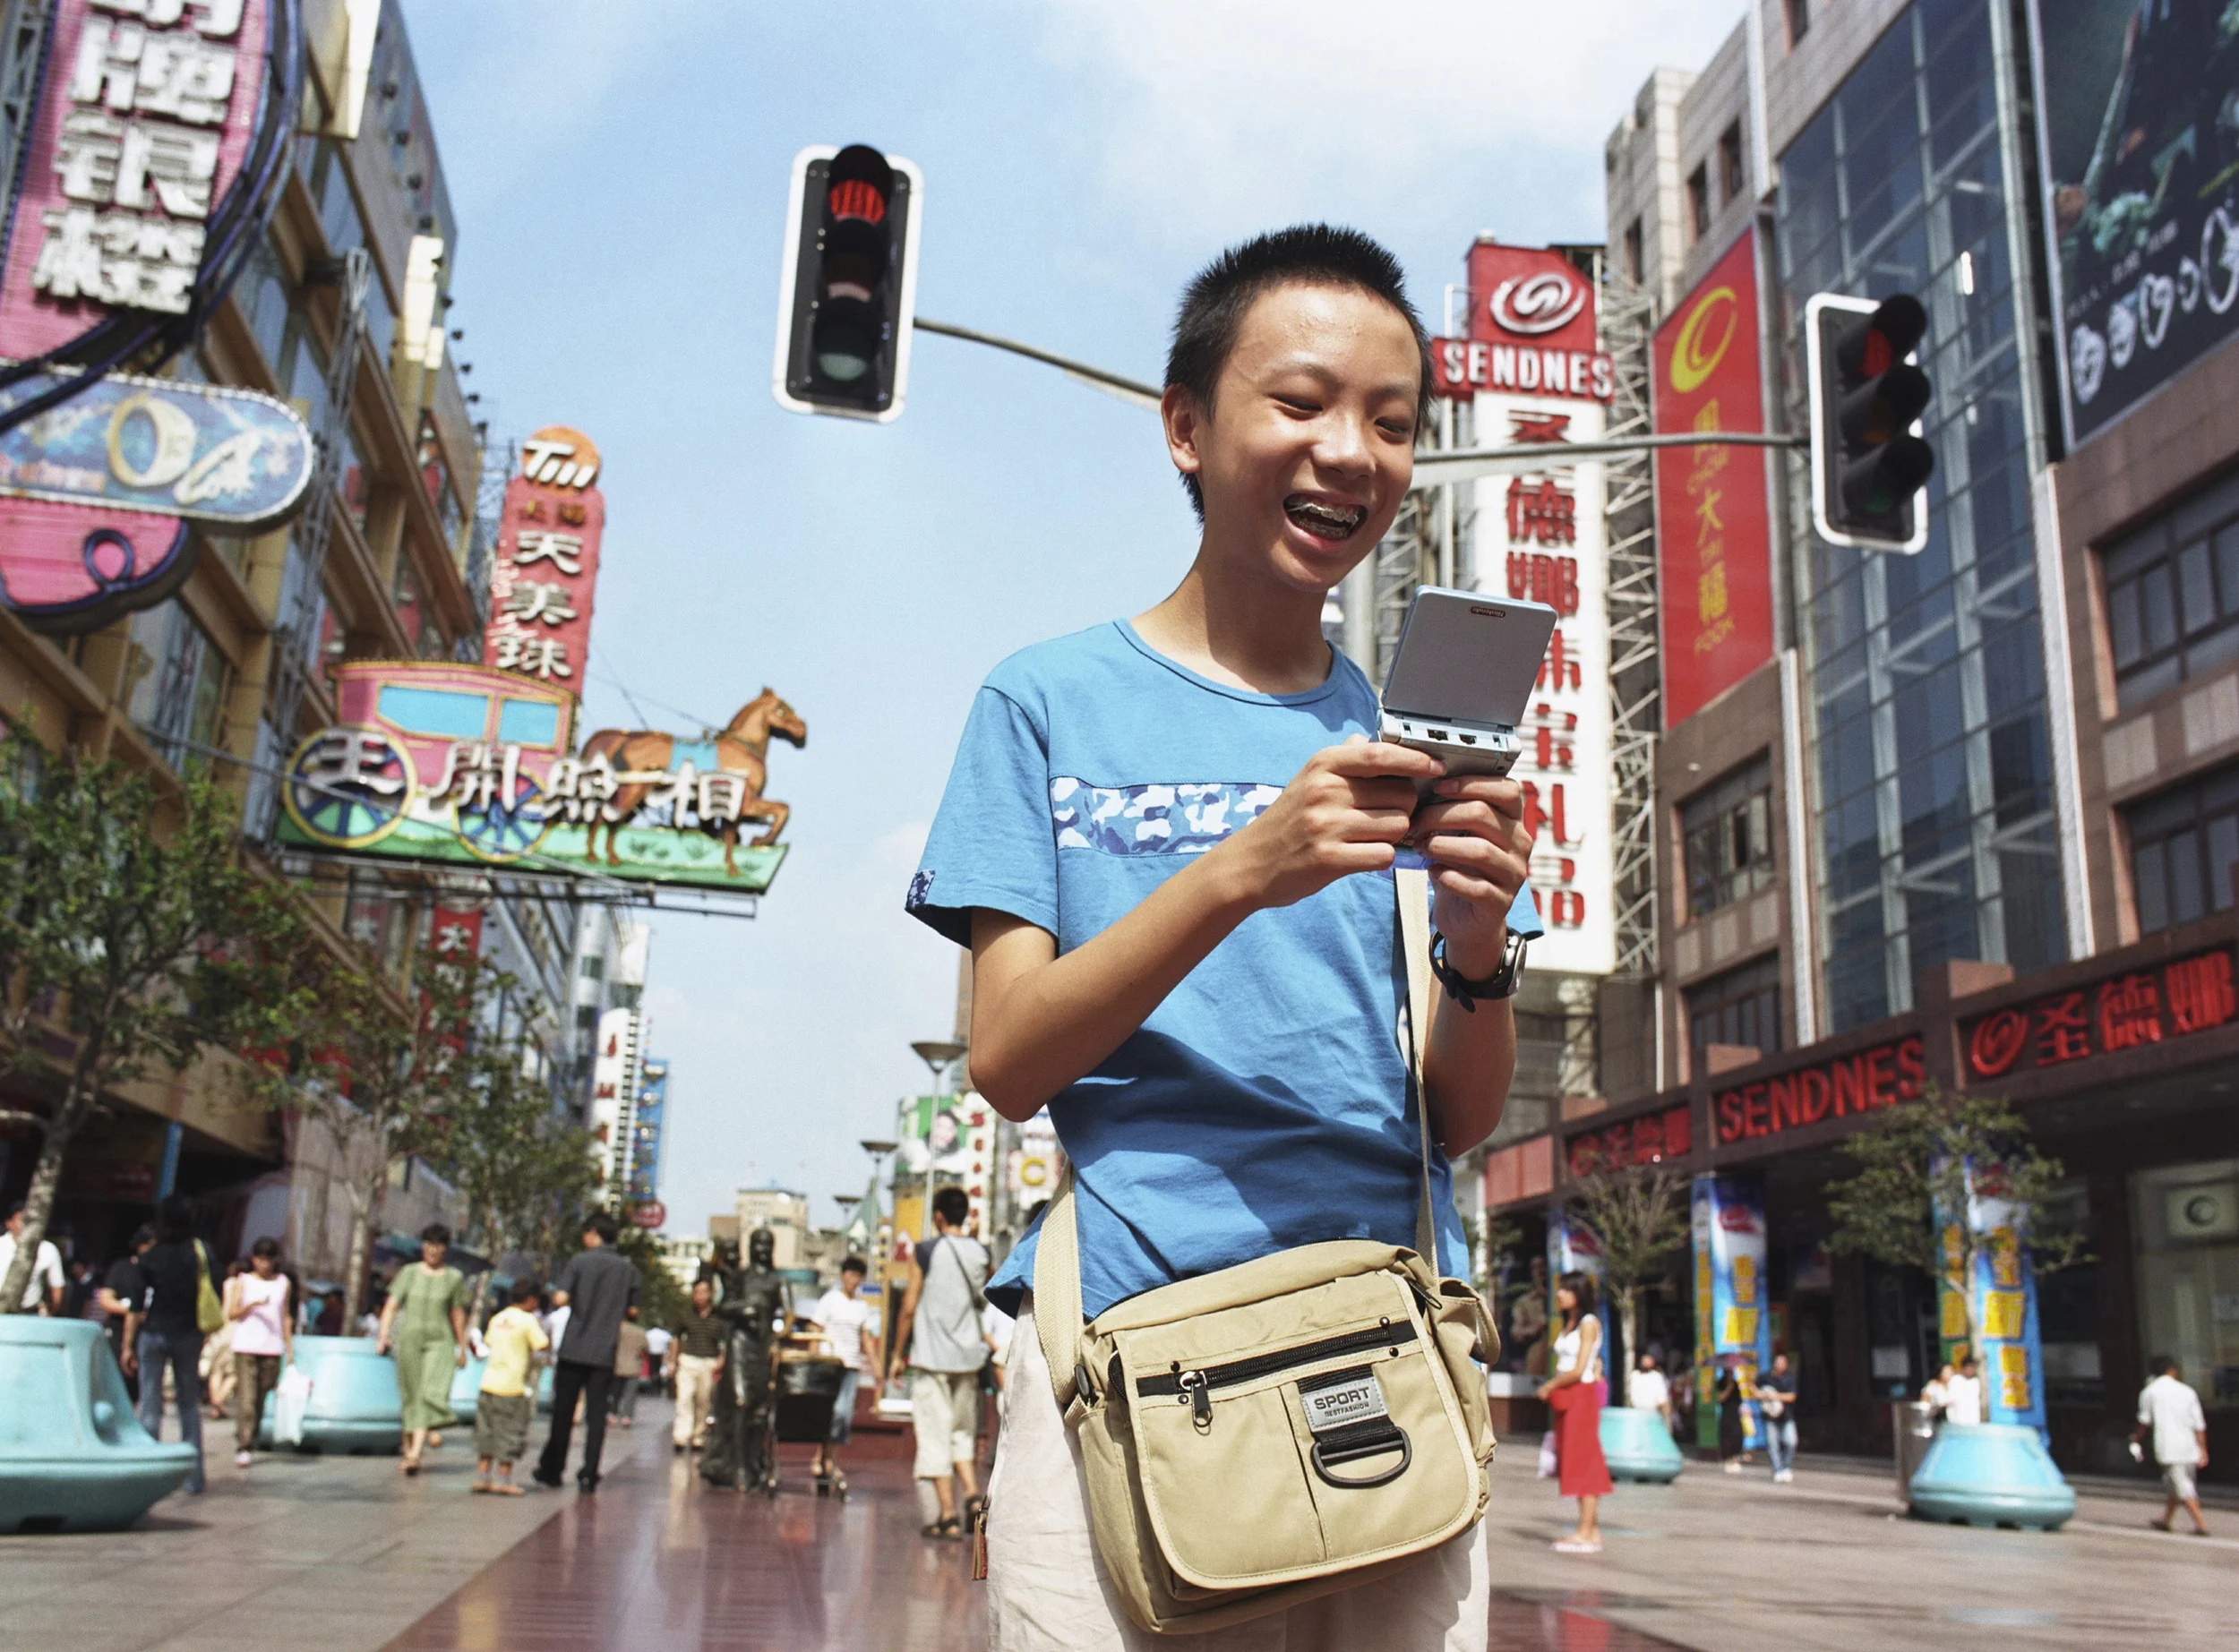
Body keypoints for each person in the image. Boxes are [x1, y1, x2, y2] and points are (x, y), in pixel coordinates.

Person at [909, 223, 1533, 1645]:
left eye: (1392, 423)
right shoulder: (1045, 700)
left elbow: (1456, 1116)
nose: (1352, 455)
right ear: (1186, 427)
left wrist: (1480, 941)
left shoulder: (1411, 741)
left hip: (1383, 1341)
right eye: (1302, 403)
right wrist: (1240, 867)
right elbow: (1005, 1057)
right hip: (1127, 1346)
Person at [886, 1186, 990, 1540]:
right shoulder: (981, 1252)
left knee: (934, 1435)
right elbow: (985, 1293)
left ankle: (947, 1513)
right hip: (968, 1358)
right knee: (963, 1432)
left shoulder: (927, 1251)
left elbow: (909, 1305)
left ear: (939, 1216)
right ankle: (973, 1496)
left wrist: (898, 1354)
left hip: (932, 1358)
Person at [534, 1211, 639, 1493]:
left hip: (574, 1347)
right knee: (596, 1415)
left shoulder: (580, 1261)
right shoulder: (627, 1269)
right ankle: (590, 1472)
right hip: (604, 1351)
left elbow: (562, 1297)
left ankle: (553, 1469)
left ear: (593, 1233)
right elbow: (633, 1309)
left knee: (563, 1413)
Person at [132, 1195, 211, 1494]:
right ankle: (195, 1477)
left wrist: (128, 1344)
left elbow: (137, 1306)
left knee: (150, 1403)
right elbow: (212, 1290)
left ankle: (146, 1476)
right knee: (188, 1403)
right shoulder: (201, 1253)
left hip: (153, 1332)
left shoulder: (151, 1256)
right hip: (189, 1334)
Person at [376, 1223, 468, 1476]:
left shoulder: (454, 1278)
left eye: (437, 1245)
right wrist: (383, 1335)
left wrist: (462, 1346)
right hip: (409, 1339)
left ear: (445, 1249)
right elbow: (392, 1305)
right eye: (428, 1244)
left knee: (428, 1392)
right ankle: (408, 1449)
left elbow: (457, 1313)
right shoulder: (408, 1273)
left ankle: (415, 1453)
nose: (432, 1250)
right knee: (410, 1393)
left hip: (440, 1341)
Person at [698, 1229, 786, 1491]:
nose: (762, 1249)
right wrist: (743, 1310)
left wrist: (777, 1335)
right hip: (739, 1345)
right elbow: (721, 1306)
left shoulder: (776, 1281)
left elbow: (786, 1314)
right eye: (758, 1244)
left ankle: (751, 1461)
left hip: (761, 1348)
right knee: (740, 1402)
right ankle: (736, 1468)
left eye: (767, 1244)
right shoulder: (740, 1277)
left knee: (757, 1408)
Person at [1538, 1271, 1612, 1554]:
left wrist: (1551, 1385)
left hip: (1580, 1395)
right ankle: (1590, 1529)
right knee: (1573, 1458)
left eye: (1566, 1290)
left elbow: (1580, 1369)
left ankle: (1585, 1530)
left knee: (1584, 1460)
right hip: (1567, 1396)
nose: (1560, 1295)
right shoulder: (1569, 1323)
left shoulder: (1588, 1324)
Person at [805, 1255, 880, 1494]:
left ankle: (829, 1458)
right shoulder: (829, 1300)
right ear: (842, 1275)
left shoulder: (861, 1306)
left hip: (851, 1366)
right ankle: (822, 1458)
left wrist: (876, 1365)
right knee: (829, 1412)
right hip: (829, 1364)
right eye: (850, 1274)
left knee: (844, 1415)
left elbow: (865, 1338)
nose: (853, 1280)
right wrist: (812, 1360)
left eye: (858, 1276)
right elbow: (815, 1331)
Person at [474, 1277, 550, 1496]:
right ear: (531, 1300)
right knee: (510, 1433)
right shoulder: (527, 1320)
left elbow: (488, 1343)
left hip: (488, 1384)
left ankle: (482, 1476)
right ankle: (504, 1478)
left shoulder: (497, 1319)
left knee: (486, 1431)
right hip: (513, 1386)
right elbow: (542, 1344)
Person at [225, 1237, 292, 1468]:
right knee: (247, 1399)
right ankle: (243, 1445)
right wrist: (251, 1305)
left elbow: (285, 1317)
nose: (264, 1264)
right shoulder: (244, 1281)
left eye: (269, 1260)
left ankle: (250, 1437)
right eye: (260, 1259)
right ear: (253, 1259)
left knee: (261, 1398)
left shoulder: (283, 1283)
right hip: (246, 1347)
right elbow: (232, 1313)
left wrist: (289, 1350)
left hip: (272, 1348)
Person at [2133, 1354, 2210, 1535]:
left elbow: (2144, 1421)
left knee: (2181, 1485)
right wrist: (2203, 1449)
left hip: (2167, 1446)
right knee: (2178, 1483)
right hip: (2188, 1445)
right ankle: (2166, 1520)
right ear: (2172, 1370)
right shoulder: (2188, 1391)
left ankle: (2201, 1523)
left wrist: (2136, 1438)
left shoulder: (2149, 1392)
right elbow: (2199, 1424)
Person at [668, 1276, 725, 1454]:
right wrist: (673, 1360)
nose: (699, 1296)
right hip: (689, 1360)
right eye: (696, 1292)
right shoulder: (686, 1314)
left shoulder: (719, 1317)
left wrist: (722, 1360)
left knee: (703, 1401)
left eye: (703, 1292)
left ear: (710, 1294)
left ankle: (698, 1436)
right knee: (684, 1398)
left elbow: (725, 1342)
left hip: (709, 1361)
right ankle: (681, 1435)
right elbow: (676, 1337)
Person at [100, 1225, 156, 1400]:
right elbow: (105, 1299)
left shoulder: (159, 1272)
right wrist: (130, 1311)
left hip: (149, 1334)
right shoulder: (122, 1268)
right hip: (117, 1332)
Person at [2, 1203, 65, 1313]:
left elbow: (57, 1289)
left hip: (31, 1312)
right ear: (9, 1223)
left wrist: (49, 1313)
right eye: (22, 1219)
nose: (26, 1224)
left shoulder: (48, 1249)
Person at [1756, 1351, 1797, 1483]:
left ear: (1786, 1365)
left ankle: (1786, 1467)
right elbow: (1754, 1390)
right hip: (1770, 1416)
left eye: (1781, 1362)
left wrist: (1775, 1396)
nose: (1779, 1364)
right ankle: (1777, 1469)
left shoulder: (1789, 1378)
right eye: (1777, 1361)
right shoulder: (1766, 1377)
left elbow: (1792, 1397)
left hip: (1786, 1416)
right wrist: (1761, 1395)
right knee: (1773, 1445)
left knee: (1791, 1441)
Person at [608, 1305, 649, 1427]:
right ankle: (627, 1417)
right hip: (633, 1366)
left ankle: (613, 1414)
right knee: (629, 1394)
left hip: (617, 1365)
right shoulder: (641, 1332)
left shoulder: (617, 1329)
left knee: (615, 1392)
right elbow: (644, 1350)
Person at [1627, 1351, 1672, 1432]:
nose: (1645, 1363)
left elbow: (1662, 1398)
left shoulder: (1656, 1377)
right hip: (1636, 1413)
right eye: (1644, 1361)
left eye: (1648, 1361)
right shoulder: (1634, 1375)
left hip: (1652, 1414)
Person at [1717, 1359, 1747, 1471]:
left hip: (1735, 1414)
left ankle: (1735, 1457)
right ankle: (1727, 1458)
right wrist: (1728, 1388)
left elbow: (1739, 1400)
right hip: (1726, 1414)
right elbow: (1719, 1399)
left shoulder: (1736, 1383)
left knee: (1738, 1436)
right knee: (1726, 1437)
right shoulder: (1720, 1383)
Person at [1943, 1353, 1985, 1427]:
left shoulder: (1975, 1382)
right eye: (1969, 1367)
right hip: (1958, 1423)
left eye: (1973, 1368)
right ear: (1963, 1368)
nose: (1971, 1370)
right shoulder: (1955, 1381)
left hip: (1974, 1422)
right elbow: (1950, 1401)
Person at [644, 1318, 673, 1397]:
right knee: (658, 1371)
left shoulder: (649, 1333)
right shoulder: (664, 1334)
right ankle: (658, 1388)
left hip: (652, 1353)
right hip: (661, 1354)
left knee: (652, 1371)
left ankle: (653, 1388)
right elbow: (671, 1341)